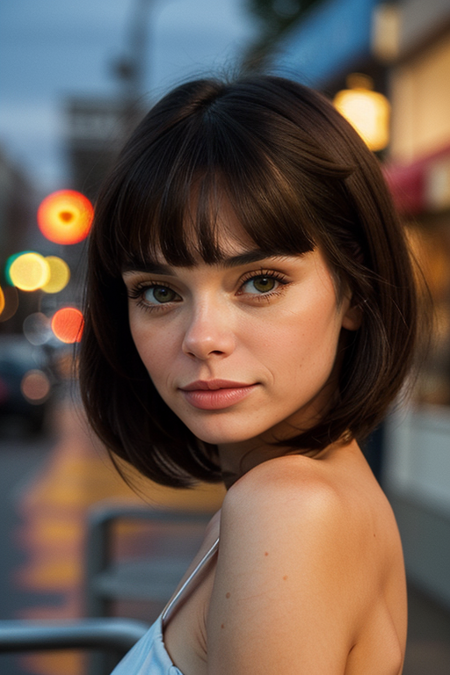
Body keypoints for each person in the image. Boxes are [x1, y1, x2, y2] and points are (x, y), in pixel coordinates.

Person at [79, 74, 426, 675]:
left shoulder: (287, 509)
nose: (202, 339)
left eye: (261, 282)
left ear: (356, 292)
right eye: (158, 291)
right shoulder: (286, 497)